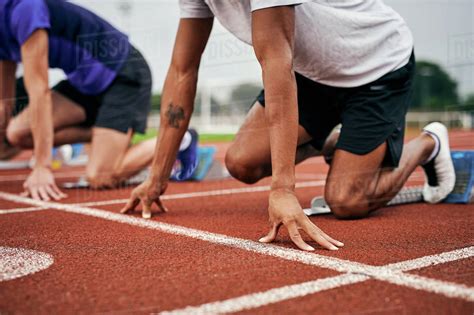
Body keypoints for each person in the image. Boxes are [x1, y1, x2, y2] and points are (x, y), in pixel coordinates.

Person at [122, 0, 455, 251]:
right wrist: (156, 177)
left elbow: (276, 64)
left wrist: (283, 189)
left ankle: (428, 143)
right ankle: (334, 144)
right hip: (312, 75)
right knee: (241, 162)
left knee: (346, 201)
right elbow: (182, 71)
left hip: (375, 65)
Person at [0, 0, 198, 200]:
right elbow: (4, 100)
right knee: (16, 133)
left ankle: (182, 138)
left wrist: (43, 165)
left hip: (123, 74)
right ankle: (104, 135)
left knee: (100, 177)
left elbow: (39, 92)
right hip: (83, 84)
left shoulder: (24, 8)